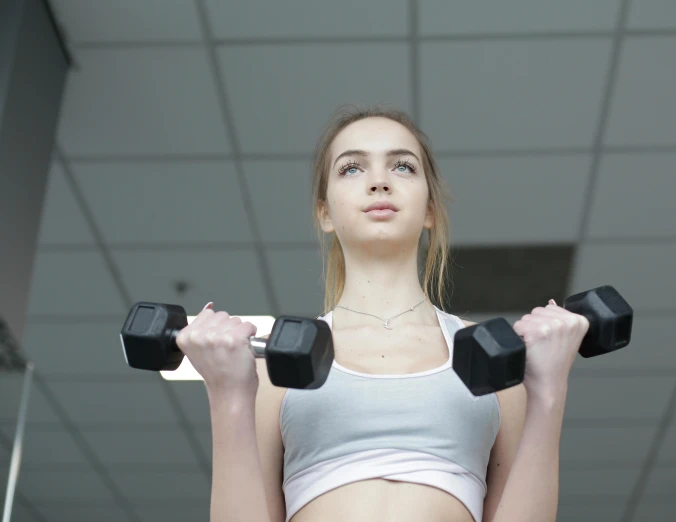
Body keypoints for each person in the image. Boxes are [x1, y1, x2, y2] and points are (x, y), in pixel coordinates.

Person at [175, 106, 590, 522]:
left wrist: (549, 390)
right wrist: (227, 393)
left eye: (403, 167)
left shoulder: (493, 356)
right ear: (325, 213)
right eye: (352, 168)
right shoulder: (275, 365)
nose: (379, 182)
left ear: (429, 209)